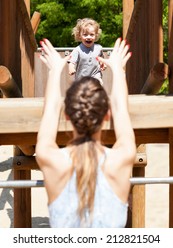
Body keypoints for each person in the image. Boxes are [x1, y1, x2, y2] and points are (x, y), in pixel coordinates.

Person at [36, 37, 136, 228]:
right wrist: (118, 70)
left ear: (66, 115)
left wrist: (55, 70)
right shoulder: (122, 157)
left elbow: (50, 108)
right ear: (107, 115)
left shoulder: (50, 159)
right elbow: (120, 107)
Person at [67, 18, 106, 85]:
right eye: (85, 35)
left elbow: (101, 58)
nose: (88, 37)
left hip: (95, 75)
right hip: (81, 79)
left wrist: (103, 63)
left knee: (97, 83)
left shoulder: (99, 48)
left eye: (91, 34)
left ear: (96, 35)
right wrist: (71, 68)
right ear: (79, 36)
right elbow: (71, 62)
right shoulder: (77, 50)